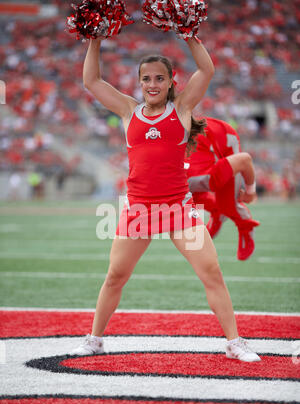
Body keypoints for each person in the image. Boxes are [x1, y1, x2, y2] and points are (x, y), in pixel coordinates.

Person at [71, 35, 260, 362]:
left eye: (160, 78)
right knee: (115, 276)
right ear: (139, 82)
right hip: (139, 210)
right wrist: (95, 40)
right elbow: (91, 80)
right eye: (146, 78)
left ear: (171, 81)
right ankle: (95, 339)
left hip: (178, 209)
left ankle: (235, 342)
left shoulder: (183, 108)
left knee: (211, 273)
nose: (152, 84)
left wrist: (190, 35)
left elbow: (207, 69)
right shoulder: (128, 109)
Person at [185, 117, 260, 261]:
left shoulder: (208, 176)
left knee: (228, 204)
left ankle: (244, 226)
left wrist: (250, 192)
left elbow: (244, 159)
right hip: (197, 145)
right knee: (194, 199)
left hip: (224, 137)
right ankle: (217, 211)